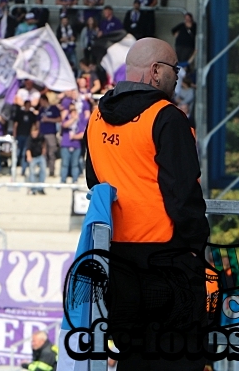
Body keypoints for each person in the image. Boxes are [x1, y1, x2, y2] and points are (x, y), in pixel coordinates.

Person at [85, 38, 208, 369]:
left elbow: (95, 184)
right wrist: (196, 247)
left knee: (133, 357)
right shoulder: (167, 118)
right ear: (156, 71)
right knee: (179, 357)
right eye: (174, 69)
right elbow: (183, 195)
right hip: (168, 261)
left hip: (119, 262)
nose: (178, 76)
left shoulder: (97, 118)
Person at [60, 101, 85, 184]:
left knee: (75, 164)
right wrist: (73, 119)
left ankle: (75, 180)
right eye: (72, 113)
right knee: (65, 164)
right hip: (66, 145)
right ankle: (63, 180)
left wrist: (74, 137)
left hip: (76, 145)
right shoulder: (67, 119)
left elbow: (83, 133)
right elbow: (64, 125)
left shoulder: (80, 122)